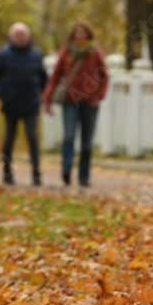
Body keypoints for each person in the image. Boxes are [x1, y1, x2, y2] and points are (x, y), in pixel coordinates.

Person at [42, 22, 108, 188]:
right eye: (77, 33)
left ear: (88, 35)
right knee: (69, 137)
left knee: (86, 142)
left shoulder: (95, 52)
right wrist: (48, 99)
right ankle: (66, 169)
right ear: (73, 35)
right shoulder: (66, 52)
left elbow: (104, 76)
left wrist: (98, 96)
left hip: (90, 103)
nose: (79, 36)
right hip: (70, 102)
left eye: (83, 33)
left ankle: (84, 177)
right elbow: (55, 77)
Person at [0, 23, 48, 186]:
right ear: (12, 37)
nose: (20, 38)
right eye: (17, 35)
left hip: (31, 103)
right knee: (10, 138)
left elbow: (43, 77)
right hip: (11, 104)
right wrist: (1, 93)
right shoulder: (3, 54)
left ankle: (36, 173)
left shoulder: (36, 54)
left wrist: (41, 93)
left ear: (28, 37)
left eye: (23, 35)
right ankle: (7, 171)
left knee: (32, 137)